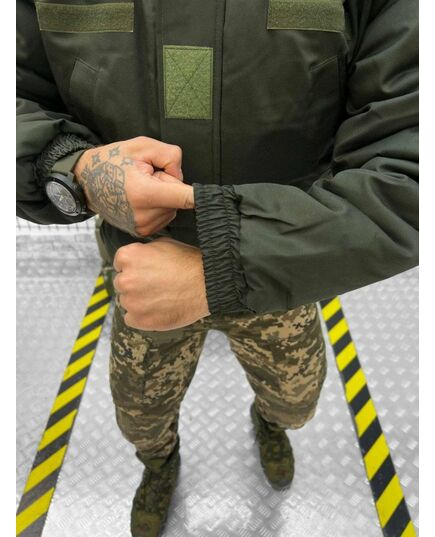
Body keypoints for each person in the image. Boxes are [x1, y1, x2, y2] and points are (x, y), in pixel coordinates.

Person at [17, 0, 418, 535]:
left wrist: (226, 264)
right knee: (140, 418)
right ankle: (159, 464)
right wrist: (73, 165)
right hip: (143, 272)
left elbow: (412, 161)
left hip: (284, 268)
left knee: (296, 403)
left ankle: (271, 424)